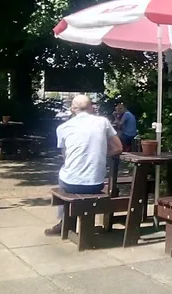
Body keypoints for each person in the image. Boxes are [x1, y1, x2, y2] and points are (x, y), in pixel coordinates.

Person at [45, 95, 122, 236]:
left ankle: (64, 223)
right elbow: (118, 148)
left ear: (73, 109)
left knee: (64, 173)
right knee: (70, 174)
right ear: (91, 107)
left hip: (70, 184)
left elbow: (66, 157)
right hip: (96, 183)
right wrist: (98, 153)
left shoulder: (63, 127)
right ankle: (71, 224)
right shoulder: (103, 122)